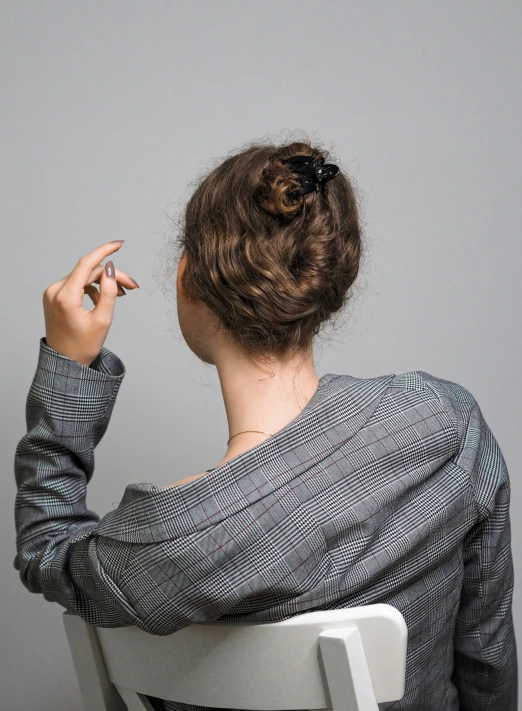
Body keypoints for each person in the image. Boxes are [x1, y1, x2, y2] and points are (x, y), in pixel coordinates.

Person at [13, 137, 517, 711]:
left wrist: (68, 369)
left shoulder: (167, 541)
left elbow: (46, 548)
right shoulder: (448, 425)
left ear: (187, 280)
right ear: (327, 278)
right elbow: (487, 658)